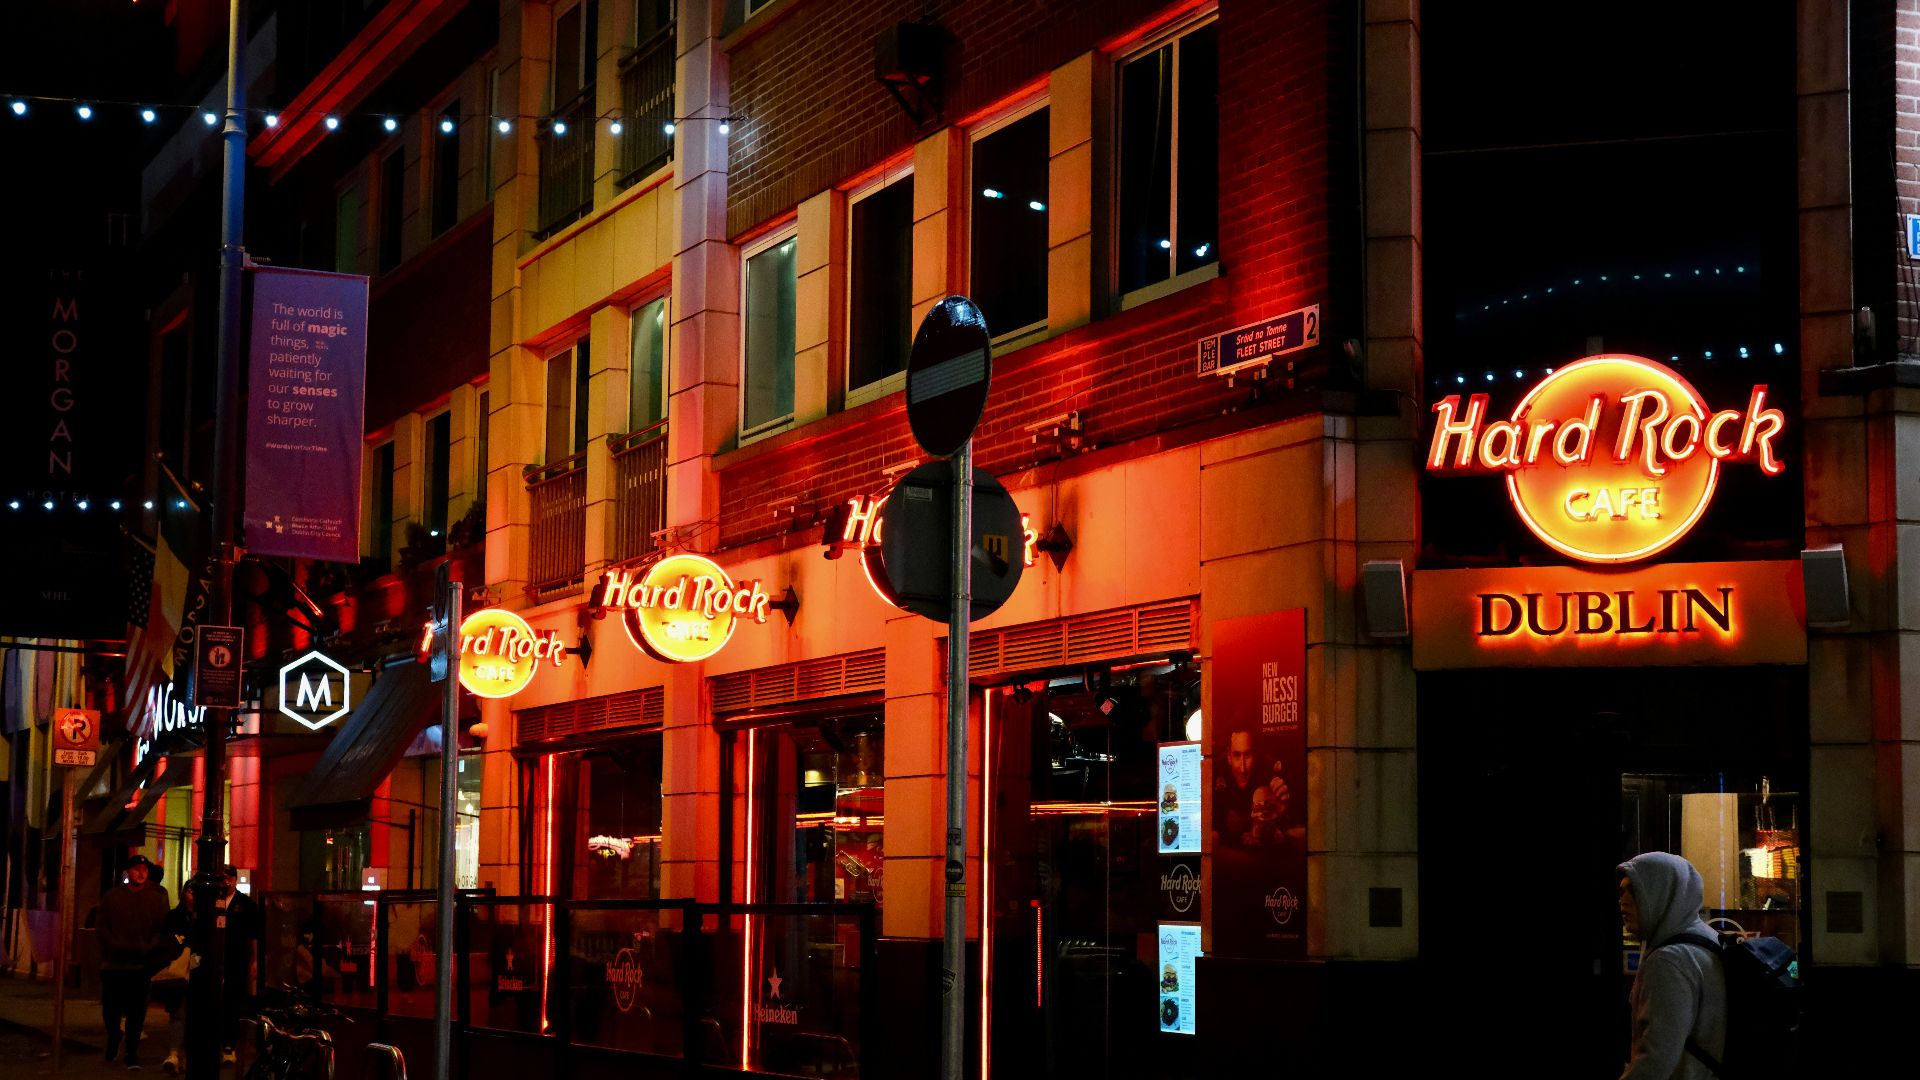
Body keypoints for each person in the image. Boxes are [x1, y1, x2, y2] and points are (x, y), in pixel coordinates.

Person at [1616, 851, 1727, 1079]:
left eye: (1635, 891)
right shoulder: (1708, 940)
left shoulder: (1669, 961)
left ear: (1663, 893)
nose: (1623, 900)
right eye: (1622, 890)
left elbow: (1656, 1058)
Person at [98, 854, 172, 1070]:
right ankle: (114, 1034)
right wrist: (114, 946)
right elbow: (102, 927)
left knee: (136, 1012)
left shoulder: (156, 898)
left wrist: (149, 948)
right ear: (128, 872)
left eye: (144, 869)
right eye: (136, 869)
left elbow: (162, 929)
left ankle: (131, 1051)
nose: (140, 873)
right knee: (111, 1010)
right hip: (114, 964)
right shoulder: (112, 897)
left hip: (140, 966)